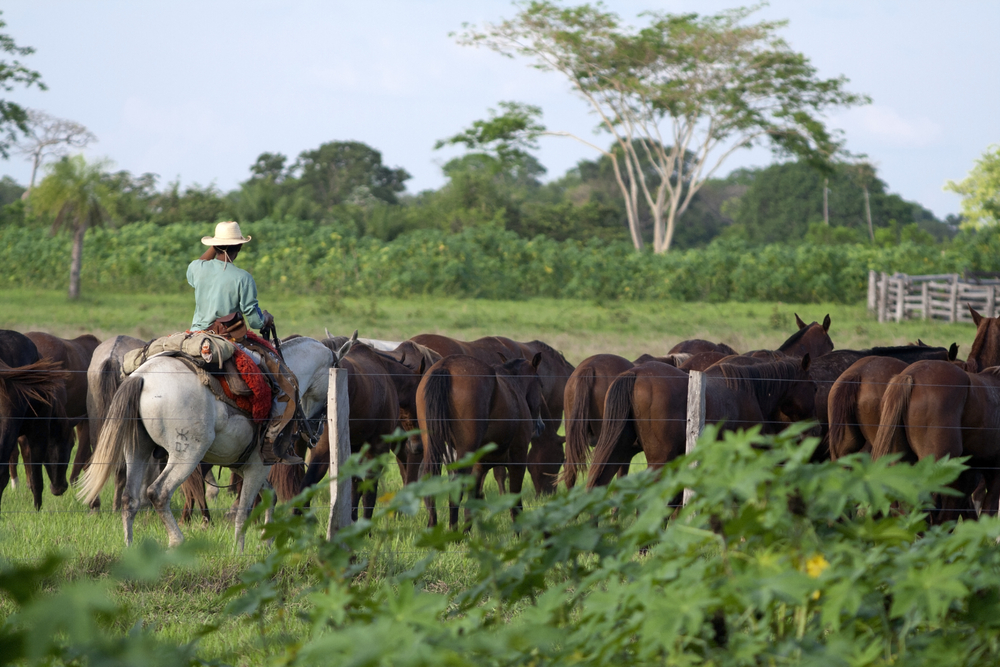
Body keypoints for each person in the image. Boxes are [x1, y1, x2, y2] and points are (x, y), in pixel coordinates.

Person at [187, 221, 303, 464]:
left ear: (215, 246)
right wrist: (266, 318)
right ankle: (269, 437)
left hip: (195, 336)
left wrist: (214, 246)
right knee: (271, 379)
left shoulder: (197, 268)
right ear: (239, 246)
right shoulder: (243, 278)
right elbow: (254, 319)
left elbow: (201, 260)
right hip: (225, 338)